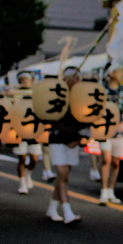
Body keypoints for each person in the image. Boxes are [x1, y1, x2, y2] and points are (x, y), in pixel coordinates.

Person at [45, 67, 88, 224]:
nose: (76, 81)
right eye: (73, 78)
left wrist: (80, 138)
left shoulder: (82, 97)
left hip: (73, 139)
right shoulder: (55, 95)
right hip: (57, 137)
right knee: (62, 174)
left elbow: (87, 118)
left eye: (78, 78)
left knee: (65, 176)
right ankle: (67, 211)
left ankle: (52, 207)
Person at [98, 64, 123, 204]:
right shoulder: (101, 90)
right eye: (117, 70)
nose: (120, 73)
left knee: (115, 161)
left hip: (119, 129)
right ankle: (103, 189)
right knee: (106, 158)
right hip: (104, 128)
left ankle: (111, 190)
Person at [12, 71, 41, 194]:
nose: (24, 81)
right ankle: (22, 182)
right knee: (22, 158)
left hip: (34, 129)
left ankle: (28, 174)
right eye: (22, 79)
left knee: (34, 158)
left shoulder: (36, 93)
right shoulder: (15, 93)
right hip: (20, 129)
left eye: (26, 79)